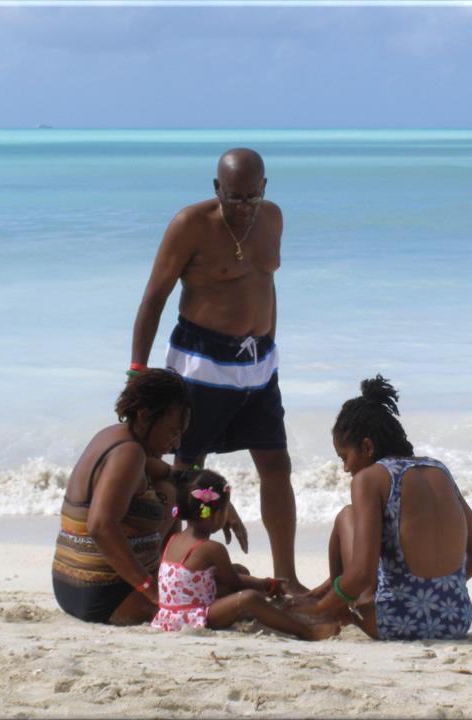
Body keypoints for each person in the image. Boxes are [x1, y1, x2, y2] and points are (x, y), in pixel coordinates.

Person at [130, 147, 304, 593]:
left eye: (252, 197)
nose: (245, 207)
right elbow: (154, 298)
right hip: (201, 363)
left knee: (277, 464)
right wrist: (137, 371)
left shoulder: (272, 218)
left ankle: (286, 578)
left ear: (264, 188)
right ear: (216, 188)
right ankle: (175, 570)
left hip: (258, 363)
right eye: (234, 197)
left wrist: (268, 340)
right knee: (187, 470)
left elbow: (266, 284)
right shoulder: (190, 224)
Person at [300, 375, 472, 641]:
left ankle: (335, 608)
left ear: (367, 446)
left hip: (391, 622)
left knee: (346, 516)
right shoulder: (440, 470)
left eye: (345, 457)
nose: (345, 468)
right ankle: (333, 593)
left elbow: (361, 575)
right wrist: (437, 594)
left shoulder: (369, 479)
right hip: (456, 619)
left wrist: (317, 610)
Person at [52, 369, 191, 625]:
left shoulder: (113, 435)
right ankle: (159, 578)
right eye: (173, 432)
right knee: (217, 599)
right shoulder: (129, 453)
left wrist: (215, 497)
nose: (177, 444)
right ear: (144, 415)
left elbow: (170, 475)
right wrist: (151, 590)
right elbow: (100, 526)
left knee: (170, 491)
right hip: (103, 593)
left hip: (68, 587)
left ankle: (168, 569)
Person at [151, 468, 339, 641]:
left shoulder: (174, 539)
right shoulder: (211, 548)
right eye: (226, 510)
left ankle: (265, 613)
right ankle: (307, 632)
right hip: (191, 617)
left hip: (168, 614)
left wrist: (261, 583)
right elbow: (234, 583)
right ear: (216, 514)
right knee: (249, 598)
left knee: (239, 570)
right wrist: (266, 584)